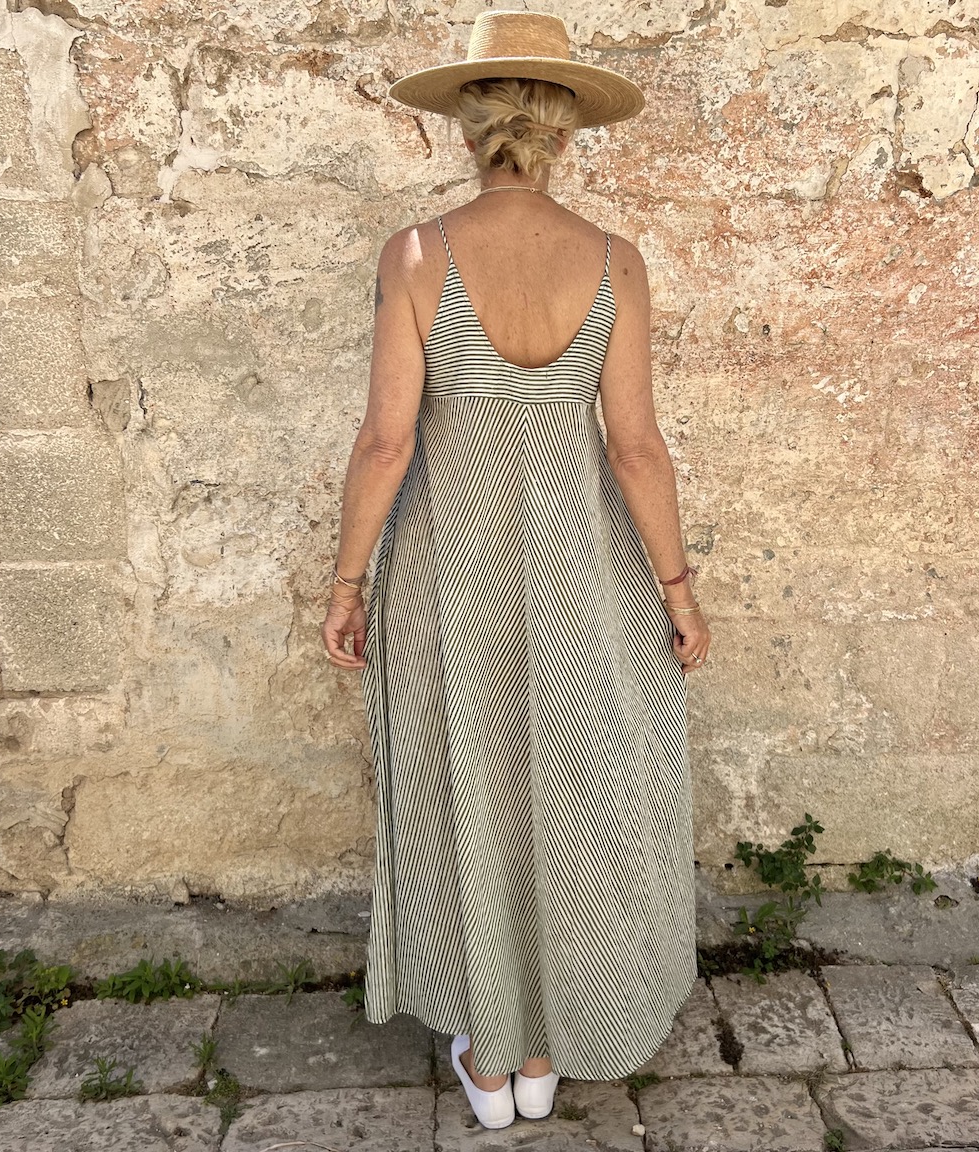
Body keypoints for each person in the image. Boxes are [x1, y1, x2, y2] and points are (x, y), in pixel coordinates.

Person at [322, 9, 711, 1131]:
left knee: (467, 791)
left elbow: (385, 444)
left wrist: (346, 584)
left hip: (448, 575)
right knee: (575, 795)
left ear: (469, 127)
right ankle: (546, 1051)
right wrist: (678, 591)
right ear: (563, 133)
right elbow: (636, 448)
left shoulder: (416, 256)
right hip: (584, 573)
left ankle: (488, 1059)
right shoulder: (615, 261)